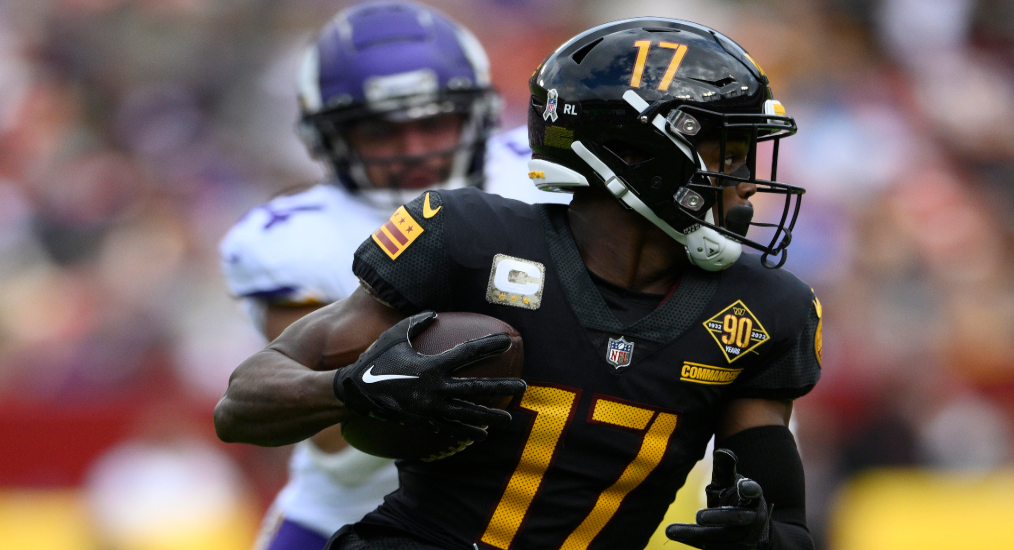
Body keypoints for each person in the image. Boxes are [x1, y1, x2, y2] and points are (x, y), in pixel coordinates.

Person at [215, 16, 821, 550]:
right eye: (730, 154)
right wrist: (355, 388)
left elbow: (789, 525)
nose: (746, 182)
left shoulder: (766, 309)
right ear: (634, 153)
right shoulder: (465, 237)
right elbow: (241, 404)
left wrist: (759, 535)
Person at [218, 3, 561, 549]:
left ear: (476, 113)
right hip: (355, 515)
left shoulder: (544, 176)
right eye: (382, 133)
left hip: (534, 510)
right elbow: (335, 435)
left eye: (434, 122)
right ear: (329, 137)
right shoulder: (290, 239)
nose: (415, 151)